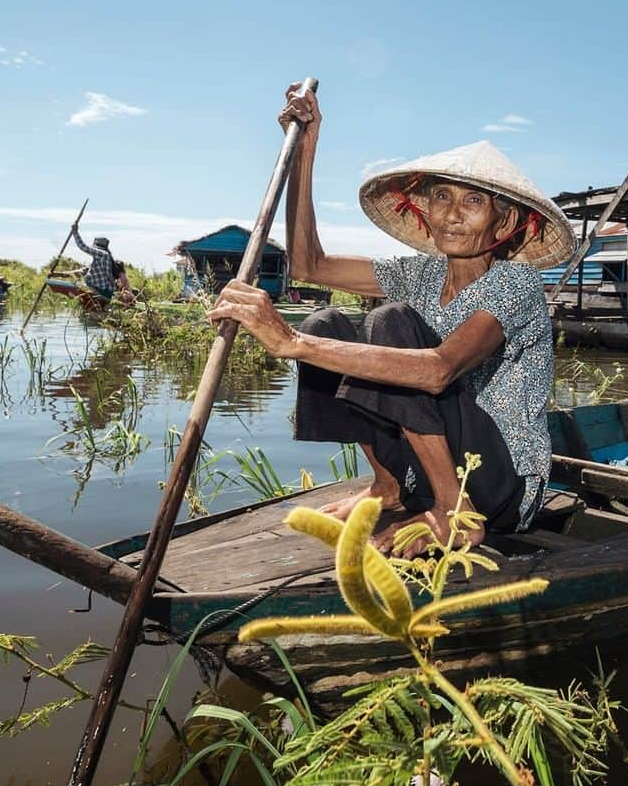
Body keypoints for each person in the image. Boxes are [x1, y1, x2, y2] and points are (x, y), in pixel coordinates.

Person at [208, 84, 576, 555]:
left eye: (474, 202)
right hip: (422, 466)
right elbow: (309, 266)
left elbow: (438, 369)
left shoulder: (515, 284)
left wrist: (291, 341)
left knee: (388, 323)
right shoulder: (419, 274)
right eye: (442, 197)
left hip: (494, 484)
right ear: (425, 208)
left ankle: (452, 512)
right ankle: (388, 483)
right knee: (327, 324)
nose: (453, 215)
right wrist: (306, 146)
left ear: (503, 225)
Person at [71, 223, 117, 301]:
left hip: (96, 287)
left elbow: (83, 247)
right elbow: (108, 274)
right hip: (105, 289)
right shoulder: (107, 256)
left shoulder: (101, 253)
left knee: (77, 286)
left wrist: (75, 232)